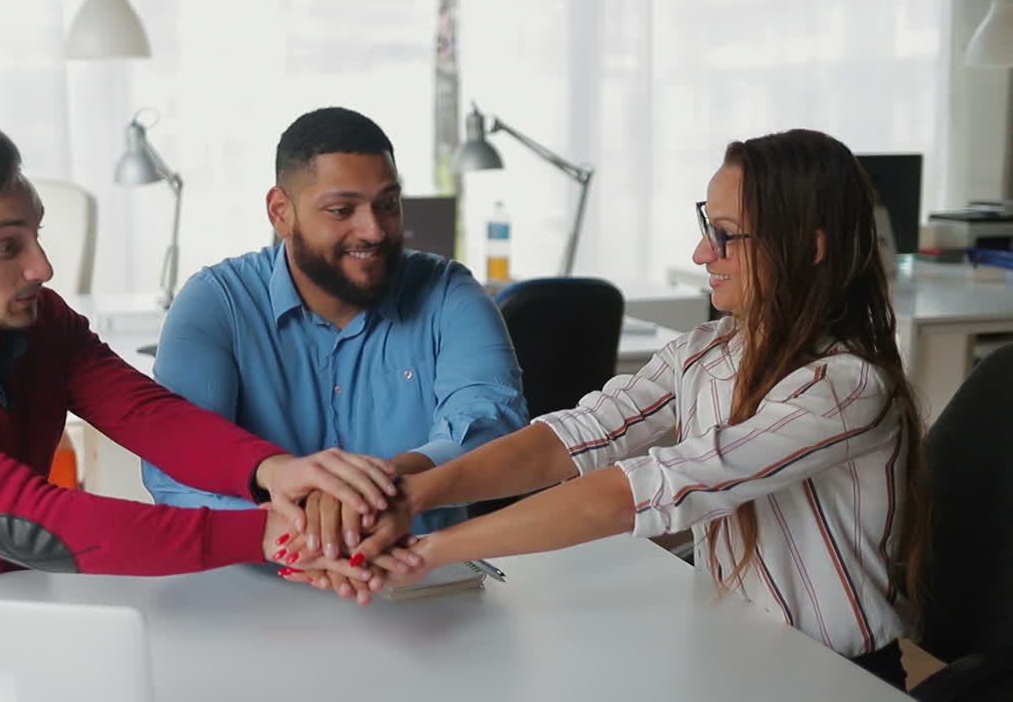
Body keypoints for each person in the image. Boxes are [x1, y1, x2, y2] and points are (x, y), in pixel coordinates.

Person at [287, 129, 929, 688]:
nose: (703, 254)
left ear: (811, 247)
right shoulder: (706, 351)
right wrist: (411, 497)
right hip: (735, 652)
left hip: (834, 678)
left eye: (728, 236)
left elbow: (639, 492)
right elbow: (574, 436)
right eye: (707, 227)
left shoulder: (843, 388)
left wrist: (425, 551)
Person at [0, 117, 402, 589]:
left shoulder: (42, 323)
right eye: (7, 247)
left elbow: (148, 415)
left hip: (19, 603)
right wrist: (268, 534)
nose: (42, 267)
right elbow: (34, 523)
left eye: (37, 234)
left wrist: (274, 470)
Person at [141, 106, 527, 603]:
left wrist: (373, 487)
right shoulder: (216, 303)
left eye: (388, 204)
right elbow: (174, 471)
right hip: (254, 599)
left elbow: (496, 429)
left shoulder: (449, 292)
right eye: (342, 210)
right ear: (281, 212)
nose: (374, 230)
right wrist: (299, 524)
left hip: (427, 595)